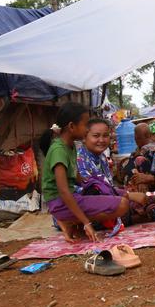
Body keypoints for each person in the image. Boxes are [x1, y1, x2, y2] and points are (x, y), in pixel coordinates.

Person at [40, 102, 131, 243]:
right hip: (60, 203)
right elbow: (64, 191)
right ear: (71, 127)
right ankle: (71, 221)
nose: (87, 128)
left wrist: (96, 185)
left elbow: (76, 177)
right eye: (85, 124)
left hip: (69, 198)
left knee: (119, 199)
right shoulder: (59, 150)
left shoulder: (70, 146)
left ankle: (72, 221)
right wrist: (86, 223)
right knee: (122, 205)